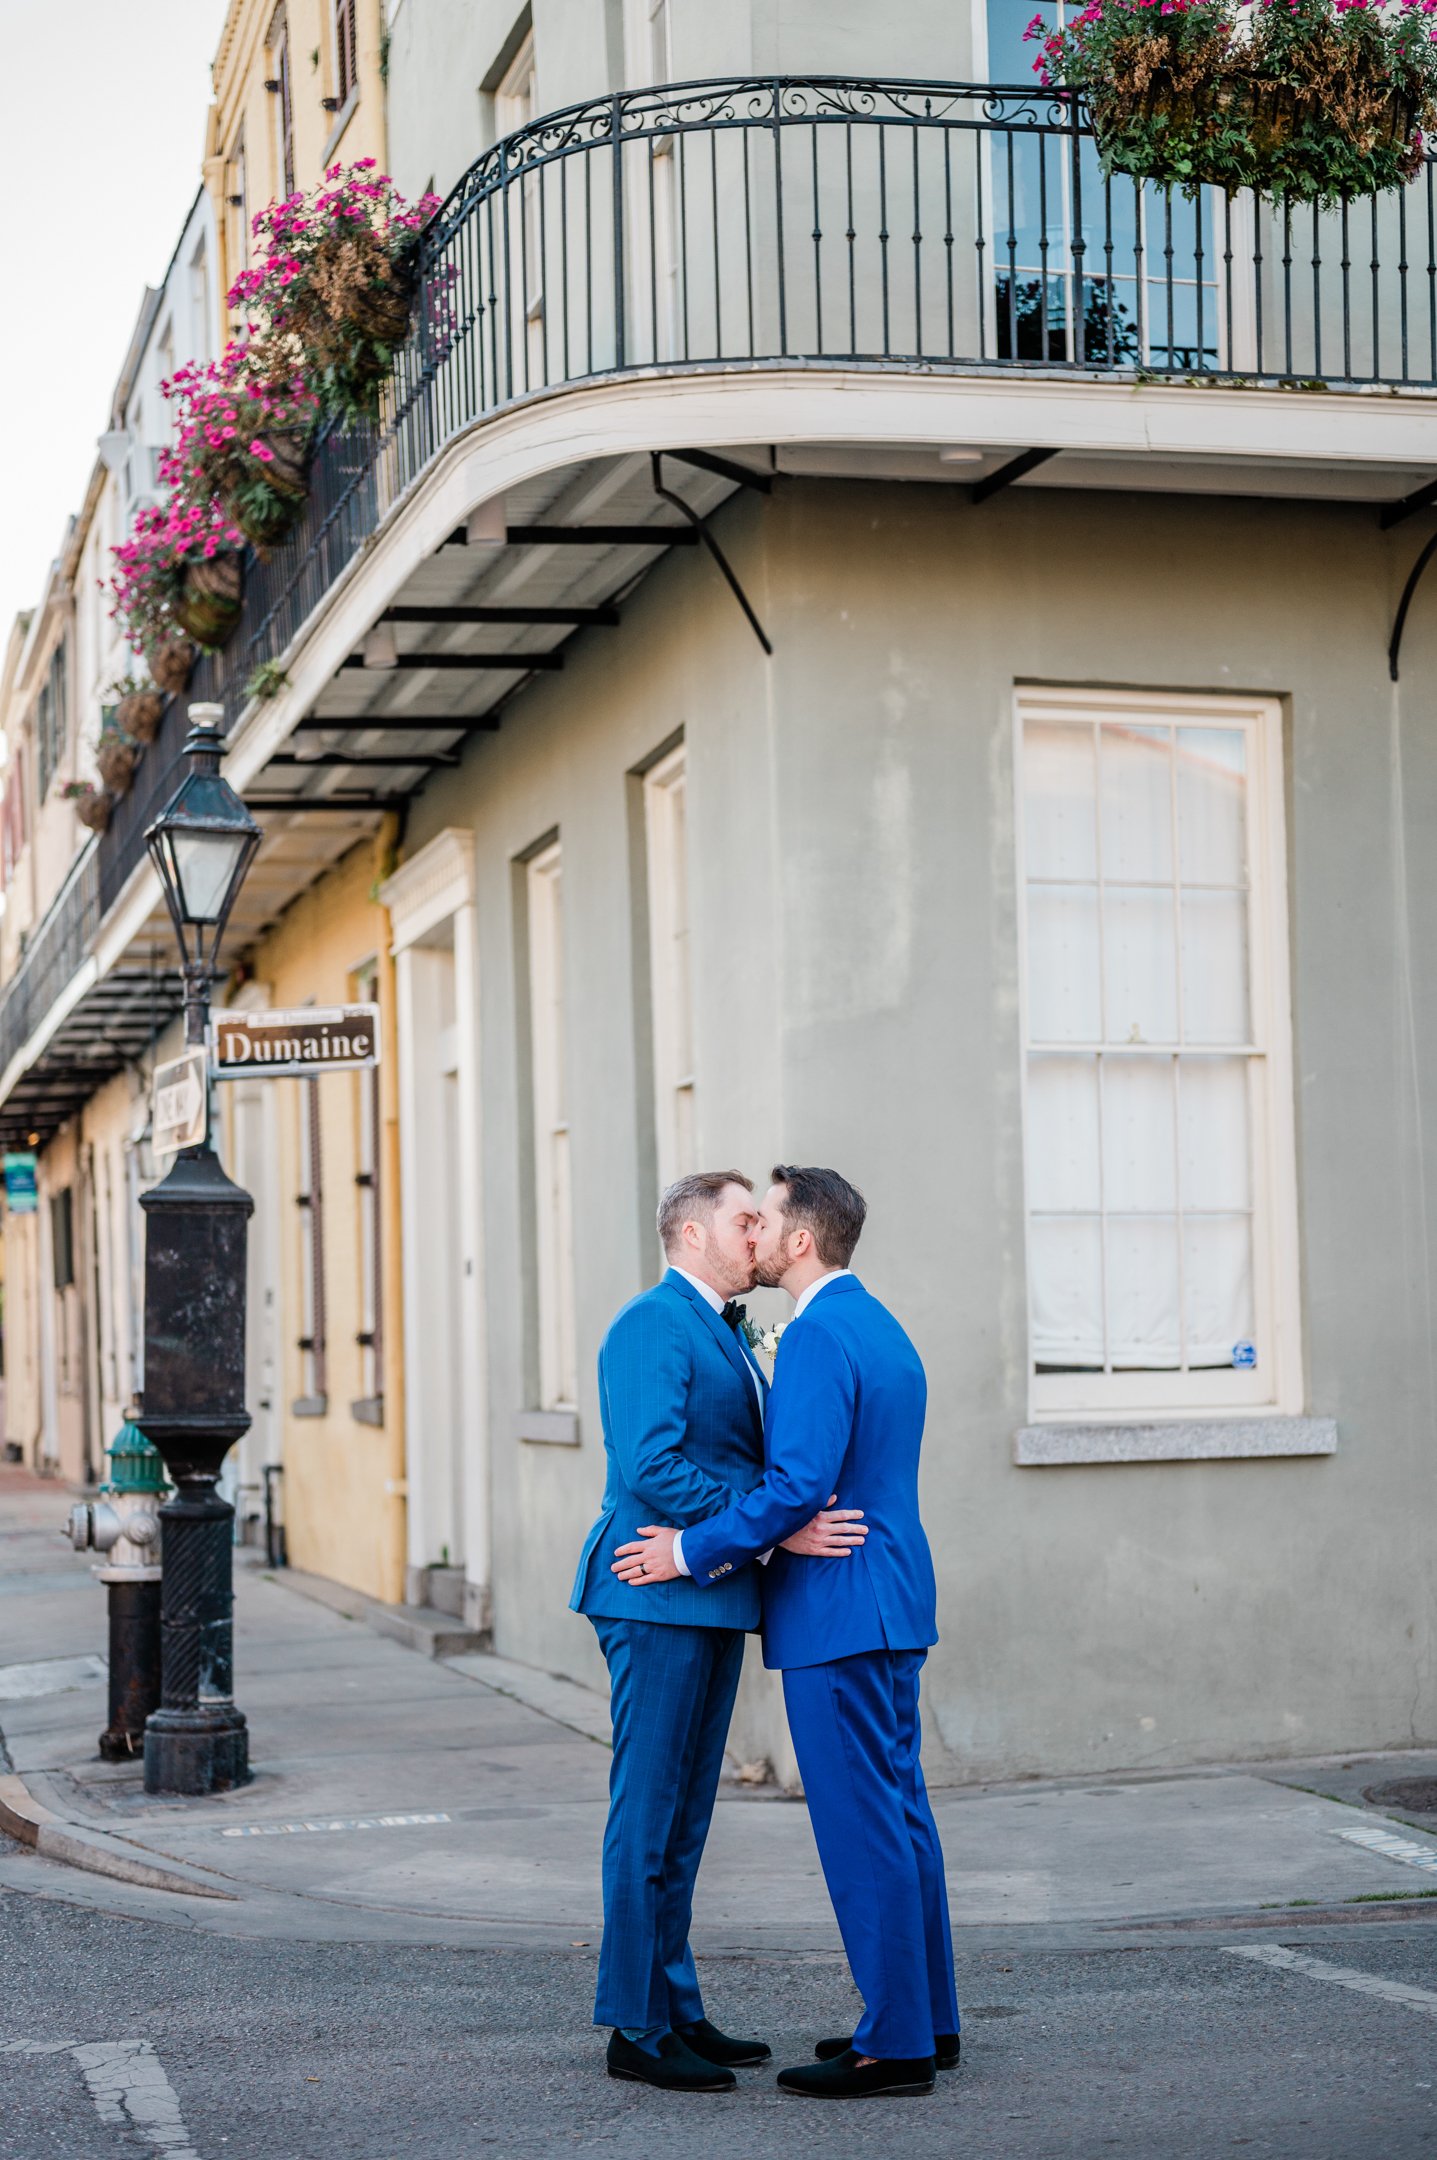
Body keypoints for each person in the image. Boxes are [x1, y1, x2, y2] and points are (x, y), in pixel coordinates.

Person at [613, 1165, 960, 2099]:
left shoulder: (812, 1336)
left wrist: (688, 1552)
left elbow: (797, 1487)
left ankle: (894, 2045)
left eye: (764, 1219)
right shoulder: (877, 1324)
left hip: (837, 1607)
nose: (755, 1234)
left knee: (861, 1831)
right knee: (901, 1816)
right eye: (742, 1220)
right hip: (889, 1597)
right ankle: (926, 2017)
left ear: (799, 1240)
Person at [570, 1169, 868, 2093]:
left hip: (704, 1590)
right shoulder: (651, 1323)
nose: (757, 1236)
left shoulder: (724, 1330)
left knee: (685, 1819)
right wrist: (769, 1521)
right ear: (691, 1234)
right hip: (651, 1592)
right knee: (648, 1813)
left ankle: (676, 2007)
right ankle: (633, 2025)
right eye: (743, 1220)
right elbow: (650, 1462)